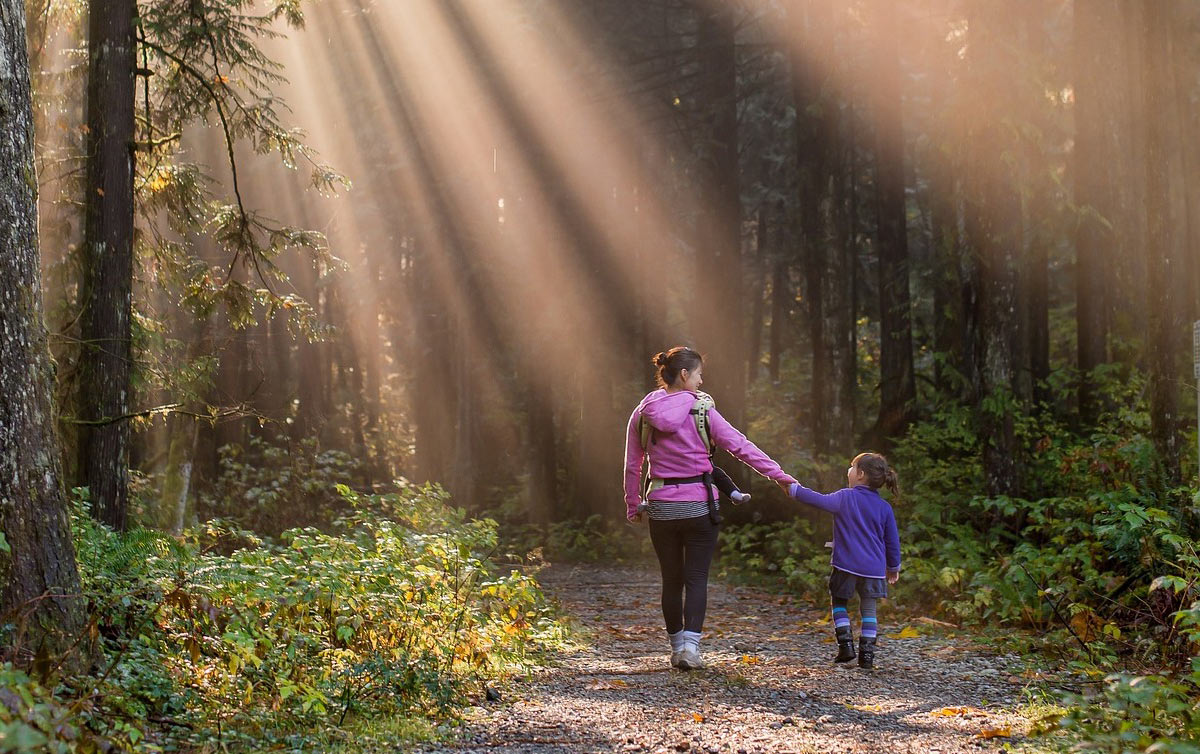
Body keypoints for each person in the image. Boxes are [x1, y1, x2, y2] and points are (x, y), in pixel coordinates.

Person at [624, 346, 798, 670]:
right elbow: (741, 447)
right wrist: (780, 477)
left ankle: (676, 649)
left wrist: (633, 503)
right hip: (700, 507)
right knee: (696, 578)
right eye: (700, 374)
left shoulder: (643, 412)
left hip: (661, 506)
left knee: (671, 579)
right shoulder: (702, 410)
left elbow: (633, 464)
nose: (702, 382)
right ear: (685, 374)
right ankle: (691, 648)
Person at [781, 453, 901, 670]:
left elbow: (818, 499)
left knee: (839, 602)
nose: (849, 471)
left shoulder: (845, 497)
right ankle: (867, 656)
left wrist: (793, 489)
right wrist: (893, 567)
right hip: (873, 569)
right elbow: (892, 541)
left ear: (861, 474)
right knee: (869, 610)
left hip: (846, 565)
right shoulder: (885, 508)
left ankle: (846, 646)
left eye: (852, 467)